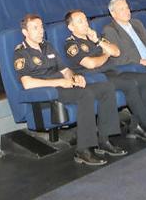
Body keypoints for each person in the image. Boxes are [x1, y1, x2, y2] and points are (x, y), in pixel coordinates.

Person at [13, 14, 126, 166]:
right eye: (35, 28)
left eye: (41, 27)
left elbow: (65, 69)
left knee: (106, 87)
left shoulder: (47, 46)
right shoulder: (21, 53)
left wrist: (74, 77)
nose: (40, 31)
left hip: (63, 85)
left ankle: (104, 140)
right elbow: (27, 83)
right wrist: (59, 81)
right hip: (48, 90)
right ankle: (83, 150)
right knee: (86, 94)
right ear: (25, 32)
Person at [64, 10, 146, 140]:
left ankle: (136, 126)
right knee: (129, 84)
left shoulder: (94, 37)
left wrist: (98, 41)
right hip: (95, 77)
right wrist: (106, 54)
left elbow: (116, 51)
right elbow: (91, 64)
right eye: (80, 21)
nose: (85, 23)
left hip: (111, 72)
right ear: (71, 27)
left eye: (85, 20)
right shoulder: (71, 44)